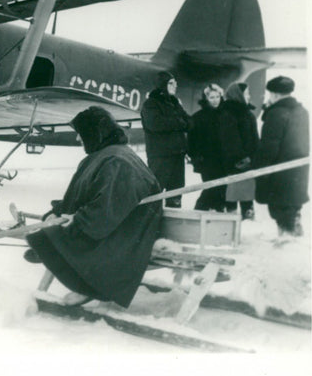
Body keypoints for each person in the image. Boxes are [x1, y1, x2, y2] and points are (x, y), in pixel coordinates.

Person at [23, 107, 163, 308]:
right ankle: (59, 259)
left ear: (93, 134)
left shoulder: (118, 161)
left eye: (81, 134)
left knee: (50, 239)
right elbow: (83, 195)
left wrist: (76, 220)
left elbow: (107, 210)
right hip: (114, 225)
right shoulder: (108, 155)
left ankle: (90, 287)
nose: (79, 140)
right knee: (48, 236)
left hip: (125, 234)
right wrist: (57, 212)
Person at [254, 76, 309, 237]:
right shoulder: (302, 111)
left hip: (279, 173)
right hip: (298, 172)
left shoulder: (277, 113)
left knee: (280, 209)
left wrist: (260, 169)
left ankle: (287, 239)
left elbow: (269, 147)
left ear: (275, 95)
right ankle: (292, 236)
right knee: (292, 208)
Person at [140, 71, 191, 207]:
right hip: (160, 156)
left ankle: (172, 224)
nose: (175, 86)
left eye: (175, 83)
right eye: (170, 83)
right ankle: (150, 225)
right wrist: (179, 122)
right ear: (162, 85)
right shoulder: (151, 104)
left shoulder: (175, 103)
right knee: (154, 194)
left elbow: (189, 122)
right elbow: (156, 124)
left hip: (177, 156)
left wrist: (178, 122)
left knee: (175, 194)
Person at [219, 83, 259, 219]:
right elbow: (230, 140)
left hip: (247, 161)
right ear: (239, 95)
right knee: (233, 195)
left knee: (246, 194)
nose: (249, 96)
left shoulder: (247, 113)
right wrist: (242, 157)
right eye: (246, 93)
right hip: (236, 163)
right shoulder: (229, 113)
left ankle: (247, 220)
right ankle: (231, 223)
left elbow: (254, 139)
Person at [187, 83, 228, 211]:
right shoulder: (198, 118)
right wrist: (195, 157)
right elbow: (191, 140)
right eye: (212, 97)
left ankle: (217, 212)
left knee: (222, 188)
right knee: (211, 187)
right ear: (206, 99)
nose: (215, 100)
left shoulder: (227, 116)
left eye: (217, 97)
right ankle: (200, 210)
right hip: (207, 161)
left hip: (224, 160)